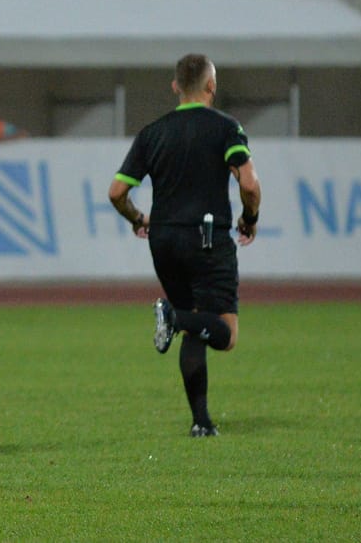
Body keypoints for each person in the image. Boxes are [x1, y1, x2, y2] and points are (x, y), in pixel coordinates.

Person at [108, 53, 261, 437]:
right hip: (207, 239)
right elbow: (248, 184)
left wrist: (138, 220)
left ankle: (201, 422)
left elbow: (117, 193)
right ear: (211, 86)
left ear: (176, 87)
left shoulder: (152, 132)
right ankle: (173, 319)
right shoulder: (226, 127)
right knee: (224, 334)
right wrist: (250, 217)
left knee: (196, 324)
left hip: (163, 240)